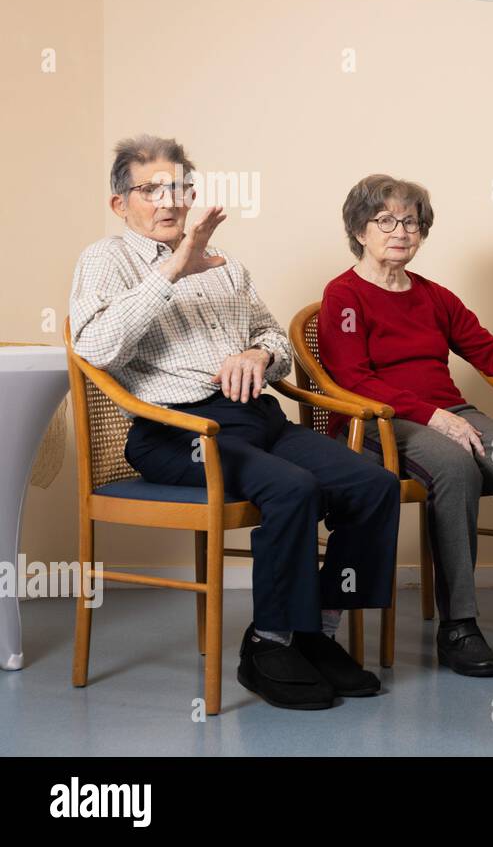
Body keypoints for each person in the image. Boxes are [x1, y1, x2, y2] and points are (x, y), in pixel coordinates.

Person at [69, 135, 400, 710]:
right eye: (153, 190)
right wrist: (173, 268)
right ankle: (268, 646)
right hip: (180, 431)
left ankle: (315, 635)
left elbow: (276, 340)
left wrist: (258, 356)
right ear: (121, 203)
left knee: (373, 485)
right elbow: (95, 348)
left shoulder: (228, 266)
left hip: (257, 419)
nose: (170, 202)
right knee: (292, 489)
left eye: (180, 188)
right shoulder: (105, 259)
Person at [317, 174, 493, 678]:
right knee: (456, 469)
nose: (400, 231)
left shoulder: (434, 296)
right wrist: (432, 417)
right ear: (359, 229)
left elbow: (484, 348)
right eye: (385, 220)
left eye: (411, 222)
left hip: (450, 416)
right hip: (383, 424)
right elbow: (352, 380)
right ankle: (458, 624)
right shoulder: (344, 296)